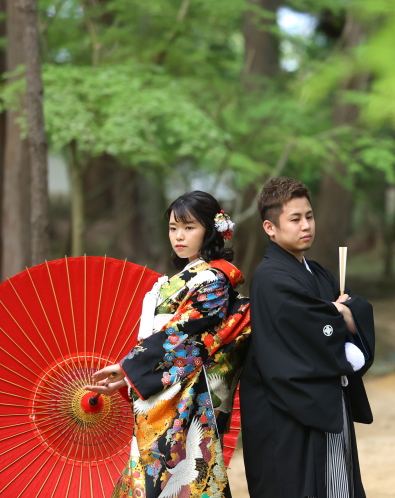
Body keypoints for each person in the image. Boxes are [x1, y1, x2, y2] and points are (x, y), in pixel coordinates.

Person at [85, 191, 251, 498]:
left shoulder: (213, 280)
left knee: (174, 480)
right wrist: (128, 377)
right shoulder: (179, 279)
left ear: (211, 230)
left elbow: (183, 335)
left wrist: (128, 367)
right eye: (174, 227)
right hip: (160, 395)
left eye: (189, 227)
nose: (179, 236)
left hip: (184, 399)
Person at [240, 176, 376, 498]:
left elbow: (354, 308)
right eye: (295, 219)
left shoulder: (317, 272)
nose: (306, 226)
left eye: (309, 216)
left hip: (325, 399)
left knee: (336, 484)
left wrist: (341, 313)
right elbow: (314, 325)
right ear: (270, 228)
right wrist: (339, 313)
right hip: (286, 410)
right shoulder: (270, 278)